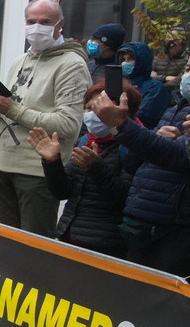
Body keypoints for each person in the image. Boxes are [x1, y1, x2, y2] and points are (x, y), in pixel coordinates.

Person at [0, 0, 88, 238]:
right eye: (31, 21)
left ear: (60, 25)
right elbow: (9, 117)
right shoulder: (20, 60)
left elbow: (68, 125)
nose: (37, 28)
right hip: (3, 165)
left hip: (38, 172)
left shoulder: (71, 64)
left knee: (32, 248)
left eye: (45, 22)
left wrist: (12, 109)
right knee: (8, 245)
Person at [91, 52, 190, 275]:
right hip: (142, 222)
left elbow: (181, 157)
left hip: (175, 227)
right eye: (188, 68)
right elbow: (132, 162)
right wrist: (152, 136)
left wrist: (121, 125)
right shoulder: (174, 108)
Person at [30, 105, 130, 258]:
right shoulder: (85, 141)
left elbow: (124, 196)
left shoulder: (129, 147)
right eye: (89, 108)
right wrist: (52, 161)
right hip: (70, 236)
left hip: (105, 245)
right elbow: (62, 192)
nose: (91, 114)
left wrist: (96, 167)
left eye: (98, 108)